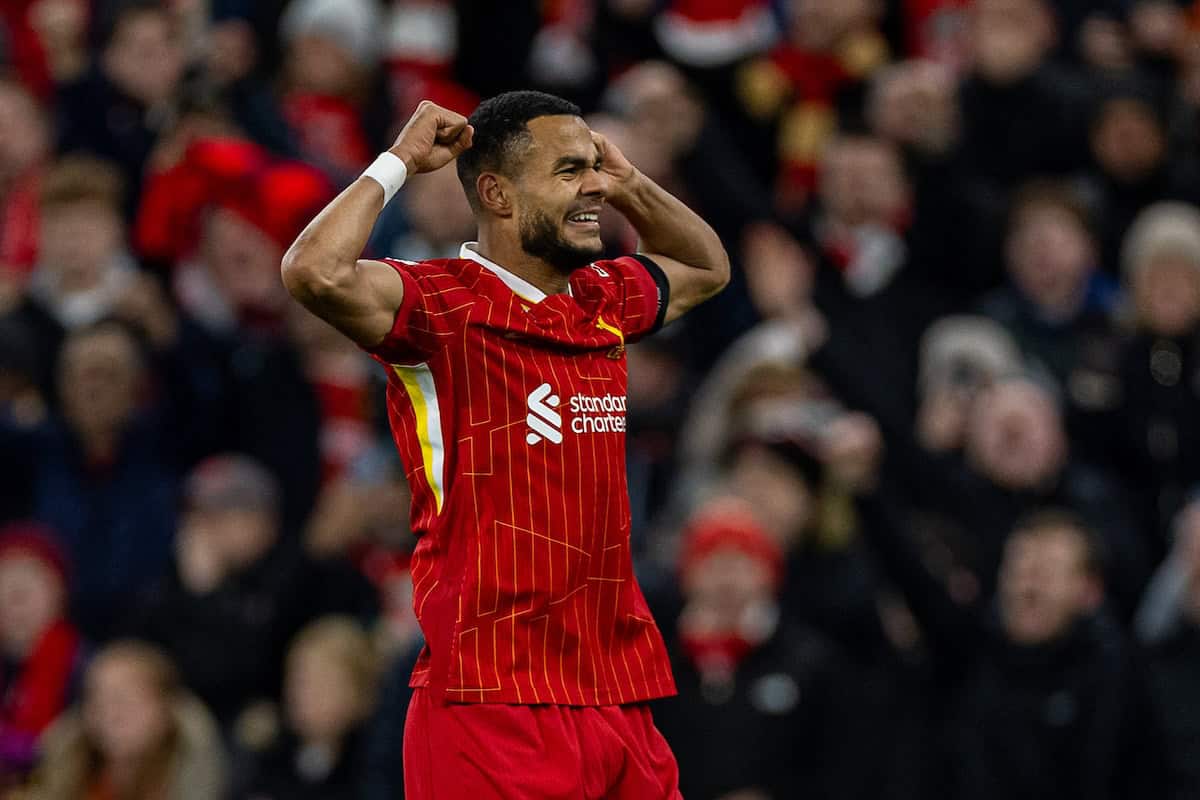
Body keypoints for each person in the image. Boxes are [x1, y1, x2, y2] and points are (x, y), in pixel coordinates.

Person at [282, 92, 729, 797]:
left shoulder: (602, 299)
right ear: (496, 193)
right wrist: (398, 161)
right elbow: (315, 271)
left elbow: (706, 268)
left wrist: (629, 180)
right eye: (568, 170)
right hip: (490, 695)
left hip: (614, 684)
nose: (592, 188)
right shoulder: (436, 306)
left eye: (592, 167)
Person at [31, 640, 226, 800]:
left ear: (164, 711)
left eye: (124, 699)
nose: (108, 713)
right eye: (97, 699)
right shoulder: (67, 769)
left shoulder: (188, 778)